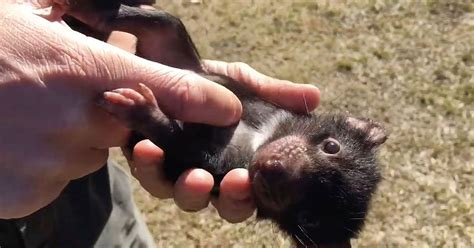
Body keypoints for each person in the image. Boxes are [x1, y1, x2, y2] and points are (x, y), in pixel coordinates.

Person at [0, 1, 320, 247]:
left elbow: (188, 153)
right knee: (168, 28)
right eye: (329, 150)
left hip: (85, 208)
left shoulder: (243, 165)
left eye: (308, 205)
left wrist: (119, 56)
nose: (286, 170)